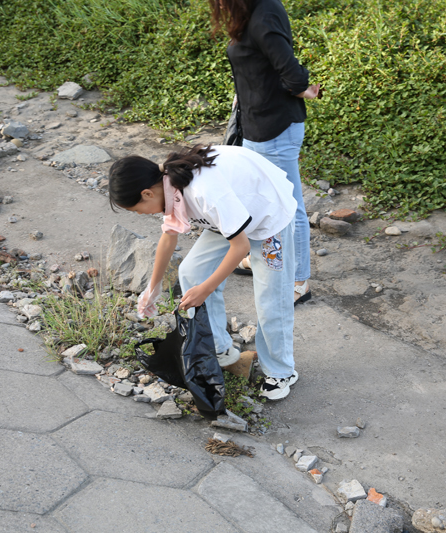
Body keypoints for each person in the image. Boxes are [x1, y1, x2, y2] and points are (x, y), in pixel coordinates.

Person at [109, 144, 299, 400]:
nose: (139, 214)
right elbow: (168, 238)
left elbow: (240, 246)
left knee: (271, 299)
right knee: (192, 272)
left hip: (267, 214)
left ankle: (281, 371)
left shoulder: (203, 192)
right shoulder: (169, 188)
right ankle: (220, 348)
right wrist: (152, 288)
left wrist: (206, 289)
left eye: (135, 210)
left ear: (147, 193)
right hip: (229, 216)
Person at [210, 0, 322, 305]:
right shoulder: (250, 13)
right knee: (260, 201)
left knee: (288, 206)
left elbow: (294, 76)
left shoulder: (264, 14)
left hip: (275, 129)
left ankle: (299, 280)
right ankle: (264, 258)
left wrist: (301, 89)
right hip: (256, 126)